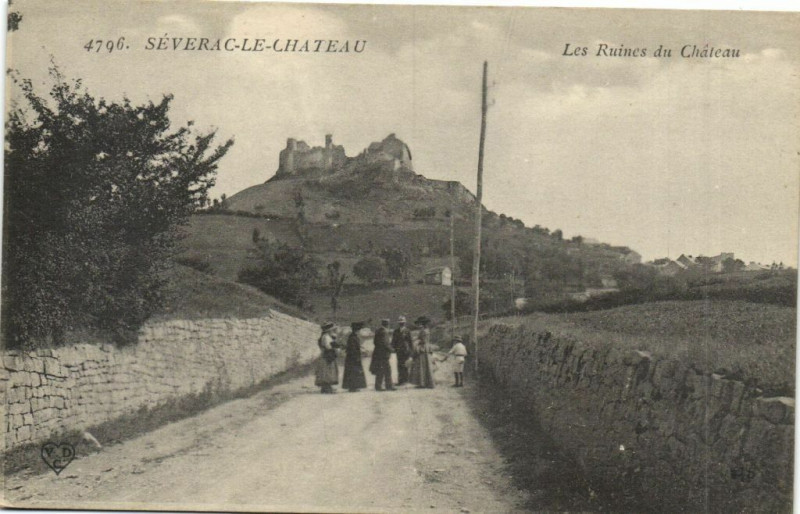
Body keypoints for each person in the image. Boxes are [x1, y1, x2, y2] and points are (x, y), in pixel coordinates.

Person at [369, 319, 395, 391]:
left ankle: (378, 386)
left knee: (380, 370)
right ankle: (389, 386)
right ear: (387, 324)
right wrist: (392, 349)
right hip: (384, 354)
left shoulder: (378, 331)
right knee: (387, 370)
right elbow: (385, 343)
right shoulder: (385, 332)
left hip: (378, 353)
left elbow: (375, 342)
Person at [409, 316, 435, 388]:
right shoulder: (427, 330)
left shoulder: (423, 331)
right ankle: (426, 382)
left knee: (421, 365)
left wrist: (417, 341)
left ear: (422, 323)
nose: (419, 325)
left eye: (420, 323)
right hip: (426, 348)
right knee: (426, 365)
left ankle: (422, 383)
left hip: (422, 348)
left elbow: (423, 340)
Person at [314, 322, 340, 394]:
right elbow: (328, 347)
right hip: (327, 355)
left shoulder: (328, 336)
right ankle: (326, 388)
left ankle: (326, 388)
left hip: (327, 354)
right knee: (327, 370)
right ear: (328, 330)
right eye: (332, 330)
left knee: (327, 370)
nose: (333, 331)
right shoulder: (326, 337)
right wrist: (335, 346)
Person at [342, 321, 368, 392]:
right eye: (359, 330)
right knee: (353, 372)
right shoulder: (353, 337)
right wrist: (358, 355)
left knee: (353, 372)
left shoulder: (353, 336)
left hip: (352, 357)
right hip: (353, 357)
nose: (360, 332)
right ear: (357, 330)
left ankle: (354, 386)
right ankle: (353, 387)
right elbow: (353, 349)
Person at [391, 315, 413, 385]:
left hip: (406, 350)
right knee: (399, 365)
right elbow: (393, 341)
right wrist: (392, 348)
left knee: (405, 365)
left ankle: (405, 380)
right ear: (398, 323)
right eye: (400, 322)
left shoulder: (407, 331)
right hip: (398, 350)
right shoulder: (396, 331)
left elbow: (410, 342)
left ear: (405, 323)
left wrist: (411, 352)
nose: (401, 323)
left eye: (403, 322)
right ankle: (400, 380)